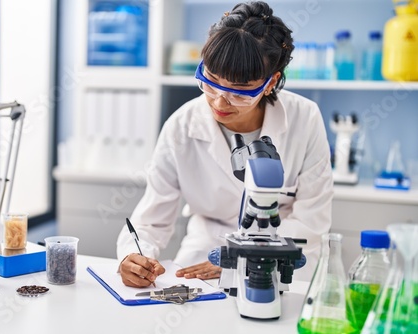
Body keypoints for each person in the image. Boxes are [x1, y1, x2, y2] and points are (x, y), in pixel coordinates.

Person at [116, 1, 333, 287]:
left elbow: (311, 221)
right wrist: (133, 256)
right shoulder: (181, 127)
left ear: (270, 83)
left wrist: (240, 257)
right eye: (211, 80)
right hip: (204, 249)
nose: (219, 101)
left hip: (285, 257)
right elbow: (151, 219)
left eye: (240, 91)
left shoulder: (304, 119)